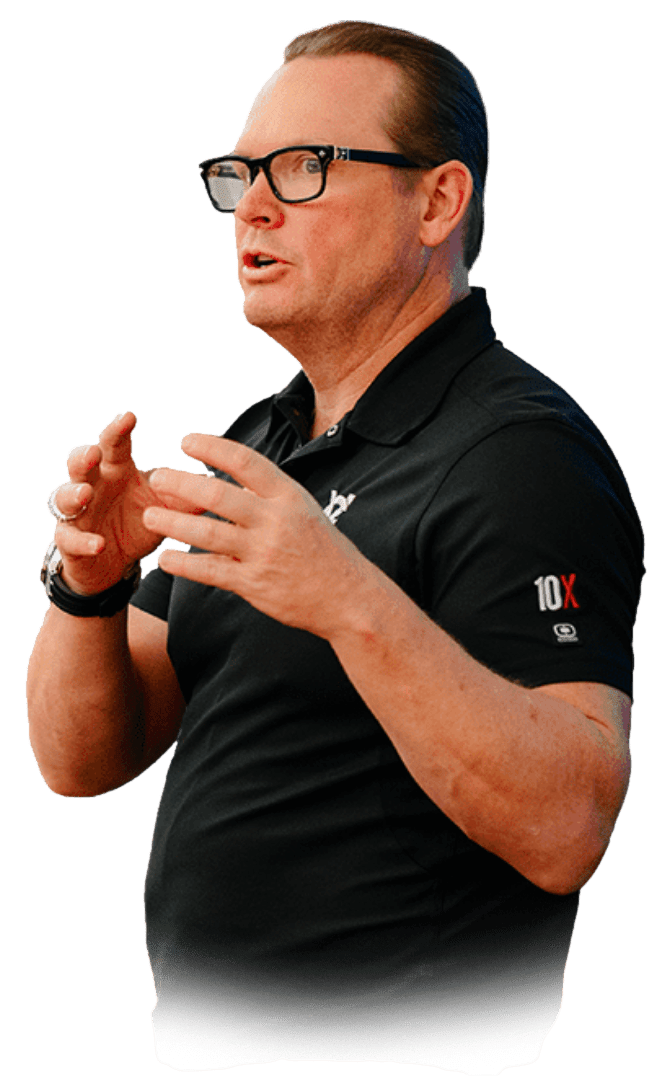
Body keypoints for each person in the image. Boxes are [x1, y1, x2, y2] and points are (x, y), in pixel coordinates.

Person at [26, 20, 644, 1076]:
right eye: (240, 174)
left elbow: (569, 823)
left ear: (437, 202)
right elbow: (79, 762)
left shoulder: (521, 452)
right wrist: (89, 585)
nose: (252, 206)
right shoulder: (264, 442)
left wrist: (344, 596)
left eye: (304, 167)